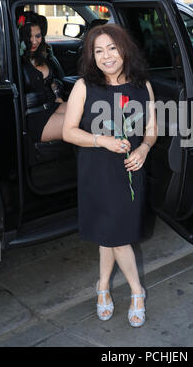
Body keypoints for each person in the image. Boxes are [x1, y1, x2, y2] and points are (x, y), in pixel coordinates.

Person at [62, 23, 157, 327]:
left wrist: (143, 149)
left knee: (115, 234)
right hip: (97, 171)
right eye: (98, 51)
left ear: (124, 48)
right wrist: (100, 139)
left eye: (112, 48)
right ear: (92, 56)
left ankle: (107, 287)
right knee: (112, 233)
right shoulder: (84, 86)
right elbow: (68, 132)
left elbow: (151, 130)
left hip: (131, 170)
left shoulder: (143, 85)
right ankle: (134, 291)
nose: (106, 56)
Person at [19, 11, 67, 142]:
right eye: (29, 36)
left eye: (38, 36)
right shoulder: (16, 60)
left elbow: (52, 82)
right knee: (82, 122)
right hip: (34, 117)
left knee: (87, 109)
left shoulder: (42, 54)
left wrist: (58, 97)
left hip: (51, 106)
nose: (34, 41)